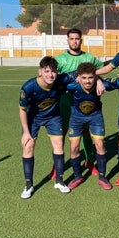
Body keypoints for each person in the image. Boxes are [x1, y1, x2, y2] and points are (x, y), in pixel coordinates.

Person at [18, 56, 78, 199]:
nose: (51, 75)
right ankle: (28, 185)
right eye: (47, 71)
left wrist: (101, 77)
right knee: (28, 146)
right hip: (33, 118)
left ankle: (60, 181)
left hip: (53, 117)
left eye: (53, 71)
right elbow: (22, 110)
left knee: (58, 146)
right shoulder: (28, 87)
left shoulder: (61, 80)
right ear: (40, 72)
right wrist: (26, 132)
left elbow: (84, 71)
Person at [54, 28, 104, 178]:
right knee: (61, 132)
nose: (74, 41)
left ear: (81, 40)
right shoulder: (60, 59)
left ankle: (90, 161)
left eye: (77, 39)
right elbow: (50, 76)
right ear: (67, 40)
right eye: (72, 39)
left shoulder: (89, 57)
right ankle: (57, 165)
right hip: (65, 101)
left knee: (87, 131)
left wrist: (99, 80)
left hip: (85, 102)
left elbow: (101, 70)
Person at [65, 62, 112, 191]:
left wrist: (101, 80)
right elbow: (55, 82)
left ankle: (102, 177)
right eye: (84, 78)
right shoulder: (72, 86)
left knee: (100, 144)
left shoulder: (101, 86)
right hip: (76, 118)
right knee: (74, 147)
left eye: (90, 77)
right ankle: (78, 176)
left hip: (95, 117)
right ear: (79, 77)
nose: (87, 81)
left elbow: (118, 83)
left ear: (94, 76)